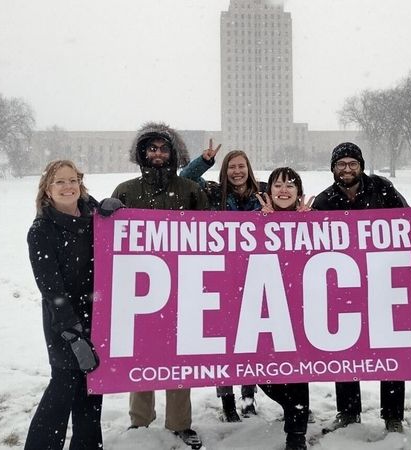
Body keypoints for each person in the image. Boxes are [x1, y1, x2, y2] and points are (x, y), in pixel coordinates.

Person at [104, 122, 209, 449]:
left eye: (164, 148)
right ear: (142, 153)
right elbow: (109, 242)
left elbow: (210, 235)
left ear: (173, 153)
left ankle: (180, 423)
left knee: (179, 355)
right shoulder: (125, 190)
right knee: (142, 353)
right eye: (152, 148)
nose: (158, 153)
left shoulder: (191, 191)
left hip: (183, 287)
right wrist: (105, 214)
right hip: (139, 289)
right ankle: (140, 420)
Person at [311, 142, 409, 434]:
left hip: (381, 284)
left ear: (361, 166)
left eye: (352, 163)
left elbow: (406, 222)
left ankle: (393, 415)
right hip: (342, 287)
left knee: (388, 348)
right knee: (345, 349)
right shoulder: (325, 200)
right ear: (333, 169)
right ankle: (349, 411)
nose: (347, 169)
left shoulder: (381, 188)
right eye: (341, 164)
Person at [179, 142, 262, 421]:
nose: (237, 172)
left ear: (248, 169)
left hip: (255, 274)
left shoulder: (263, 193)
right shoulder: (213, 193)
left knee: (250, 339)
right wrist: (203, 160)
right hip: (221, 276)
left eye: (241, 166)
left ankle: (249, 396)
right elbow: (185, 179)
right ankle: (226, 399)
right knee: (224, 342)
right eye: (232, 167)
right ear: (225, 171)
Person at [25, 160, 102, 450]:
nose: (68, 187)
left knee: (92, 392)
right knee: (62, 389)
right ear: (47, 189)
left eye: (73, 180)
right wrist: (73, 333)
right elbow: (51, 289)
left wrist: (114, 212)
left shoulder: (95, 217)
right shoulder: (42, 231)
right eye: (60, 182)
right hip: (64, 321)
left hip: (97, 314)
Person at [254, 166, 312, 450]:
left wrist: (309, 226)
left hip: (301, 312)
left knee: (298, 375)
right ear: (270, 191)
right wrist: (262, 225)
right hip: (266, 312)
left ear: (298, 192)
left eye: (291, 185)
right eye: (278, 184)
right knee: (263, 374)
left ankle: (296, 433)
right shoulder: (253, 223)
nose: (284, 190)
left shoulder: (314, 222)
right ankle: (294, 407)